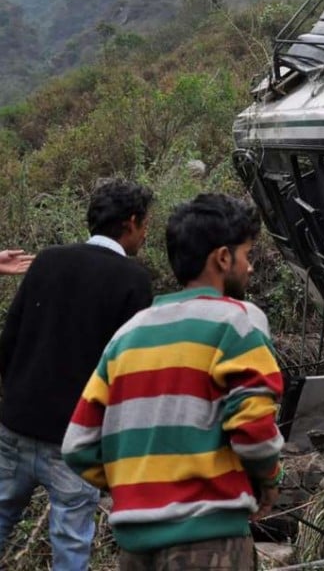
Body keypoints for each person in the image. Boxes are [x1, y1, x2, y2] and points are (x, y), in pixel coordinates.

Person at [63, 193, 283, 571]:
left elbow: (77, 445)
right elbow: (252, 428)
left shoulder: (127, 335)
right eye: (246, 255)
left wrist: (138, 491)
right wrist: (269, 479)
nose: (249, 268)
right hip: (208, 541)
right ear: (223, 257)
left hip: (133, 545)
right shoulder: (237, 323)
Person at [0, 180, 153, 570]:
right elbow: (128, 373)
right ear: (131, 222)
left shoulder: (48, 260)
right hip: (75, 438)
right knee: (70, 542)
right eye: (145, 224)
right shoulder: (133, 281)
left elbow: (10, 339)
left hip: (16, 427)